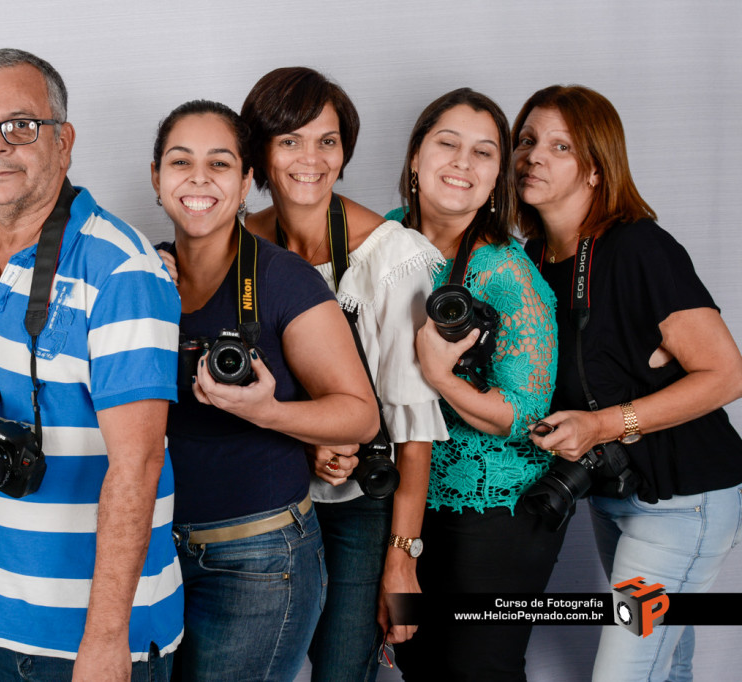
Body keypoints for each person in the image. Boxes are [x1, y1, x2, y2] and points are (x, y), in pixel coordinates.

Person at [0, 48, 183, 681]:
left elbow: (140, 460)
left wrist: (105, 641)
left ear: (63, 142)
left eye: (20, 124)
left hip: (98, 634)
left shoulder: (120, 266)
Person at [516, 85, 742, 682]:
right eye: (528, 140)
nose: (534, 156)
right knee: (664, 668)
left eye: (560, 146)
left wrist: (603, 424)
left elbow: (727, 374)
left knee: (625, 674)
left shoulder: (639, 247)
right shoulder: (532, 259)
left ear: (595, 169)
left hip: (682, 501)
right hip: (612, 494)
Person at [151, 99, 380, 682]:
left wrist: (269, 412)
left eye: (220, 164)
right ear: (156, 179)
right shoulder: (137, 276)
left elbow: (360, 416)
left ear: (247, 180)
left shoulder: (282, 279)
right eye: (181, 162)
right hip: (153, 555)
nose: (199, 179)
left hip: (258, 561)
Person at [238, 66, 447, 680]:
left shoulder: (388, 256)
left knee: (340, 670)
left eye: (327, 141)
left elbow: (412, 422)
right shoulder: (235, 243)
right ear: (259, 153)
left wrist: (403, 561)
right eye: (290, 140)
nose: (311, 158)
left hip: (360, 504)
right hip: (267, 496)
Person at [382, 88, 561, 681]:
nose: (463, 162)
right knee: (417, 664)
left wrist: (437, 373)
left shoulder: (508, 272)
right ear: (415, 156)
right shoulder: (377, 241)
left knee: (477, 671)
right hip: (398, 508)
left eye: (484, 153)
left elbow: (520, 413)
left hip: (489, 519)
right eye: (448, 143)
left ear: (495, 181)